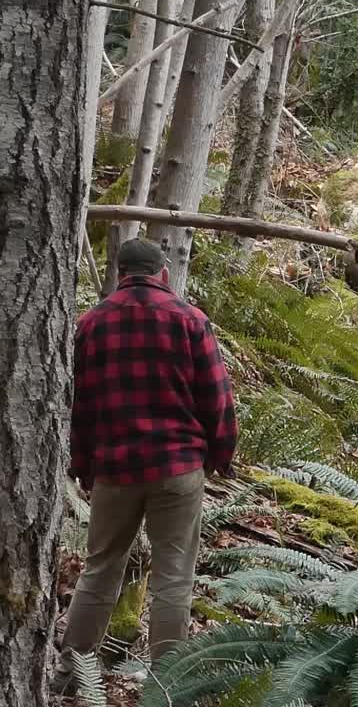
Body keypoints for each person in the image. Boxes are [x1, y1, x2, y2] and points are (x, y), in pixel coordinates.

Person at [54, 238, 238, 688]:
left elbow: (78, 405)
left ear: (119, 274)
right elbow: (217, 398)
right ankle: (168, 683)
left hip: (115, 470)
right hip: (177, 468)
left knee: (100, 568)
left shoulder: (90, 325)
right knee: (173, 577)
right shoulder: (190, 321)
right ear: (164, 274)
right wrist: (220, 455)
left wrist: (81, 466)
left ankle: (70, 673)